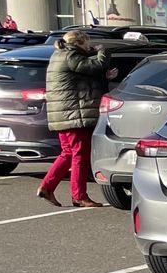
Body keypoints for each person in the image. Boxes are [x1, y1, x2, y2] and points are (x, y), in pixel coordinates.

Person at [40, 30, 116, 208]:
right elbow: (95, 65)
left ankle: (47, 186)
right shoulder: (71, 55)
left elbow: (83, 77)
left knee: (68, 152)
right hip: (74, 114)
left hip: (63, 114)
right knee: (80, 155)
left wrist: (104, 76)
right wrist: (103, 50)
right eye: (87, 43)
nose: (89, 46)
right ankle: (79, 196)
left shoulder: (60, 55)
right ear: (79, 42)